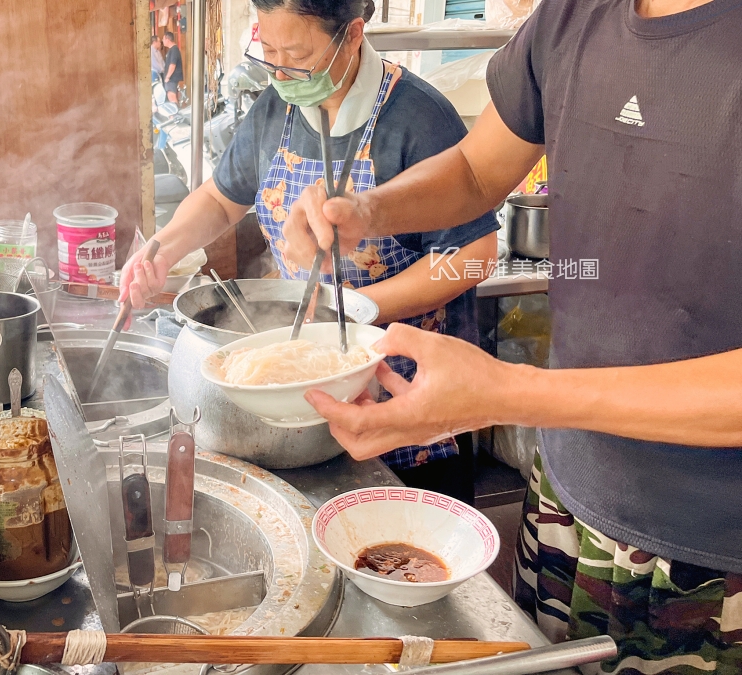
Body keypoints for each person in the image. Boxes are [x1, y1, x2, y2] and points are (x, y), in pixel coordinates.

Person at [279, 0, 742, 671]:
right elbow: (476, 170)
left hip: (720, 557)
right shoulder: (570, 17)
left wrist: (508, 393)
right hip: (566, 501)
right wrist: (365, 210)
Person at [121, 0, 500, 501]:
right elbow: (220, 197)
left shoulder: (418, 119)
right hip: (305, 407)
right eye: (268, 51)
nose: (280, 71)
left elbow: (474, 254)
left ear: (354, 33)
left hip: (406, 406)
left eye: (296, 55)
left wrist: (351, 311)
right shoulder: (276, 107)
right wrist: (161, 250)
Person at [163, 31, 184, 104]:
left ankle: (175, 115)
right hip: (172, 78)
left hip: (172, 78)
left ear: (167, 39)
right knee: (171, 96)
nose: (163, 41)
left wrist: (167, 77)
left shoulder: (174, 50)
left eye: (163, 39)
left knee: (171, 97)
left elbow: (172, 65)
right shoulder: (172, 50)